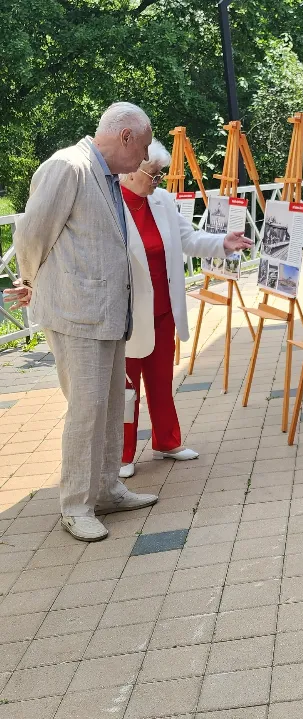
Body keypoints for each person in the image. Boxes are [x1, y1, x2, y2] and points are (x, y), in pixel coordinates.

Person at [8, 103, 158, 541]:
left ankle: (108, 488)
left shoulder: (104, 174)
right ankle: (76, 504)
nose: (146, 157)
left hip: (106, 312)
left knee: (112, 404)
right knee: (86, 410)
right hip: (76, 312)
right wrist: (31, 279)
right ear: (126, 136)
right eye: (145, 145)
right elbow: (31, 233)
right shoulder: (67, 166)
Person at [119, 140, 252, 478]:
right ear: (133, 169)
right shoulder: (111, 202)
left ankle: (168, 441)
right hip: (129, 316)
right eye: (155, 175)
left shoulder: (160, 200)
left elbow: (188, 239)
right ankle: (122, 454)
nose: (158, 181)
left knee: (162, 381)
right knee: (126, 388)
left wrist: (222, 243)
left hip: (162, 311)